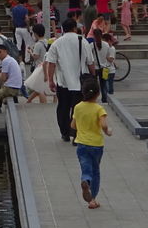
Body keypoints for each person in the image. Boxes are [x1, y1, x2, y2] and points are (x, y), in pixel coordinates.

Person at [44, 18, 96, 142]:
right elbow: (90, 62)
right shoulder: (82, 41)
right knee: (78, 109)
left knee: (63, 108)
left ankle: (65, 133)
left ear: (63, 28)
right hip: (80, 83)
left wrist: (51, 80)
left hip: (63, 82)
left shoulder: (57, 43)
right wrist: (93, 77)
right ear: (74, 28)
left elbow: (51, 63)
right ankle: (76, 134)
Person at [69, 78, 113, 208]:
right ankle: (93, 199)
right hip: (96, 144)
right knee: (96, 171)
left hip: (81, 144)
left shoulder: (78, 107)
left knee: (86, 167)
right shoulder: (99, 109)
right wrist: (107, 131)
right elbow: (103, 125)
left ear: (83, 92)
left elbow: (73, 125)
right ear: (98, 93)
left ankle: (85, 180)